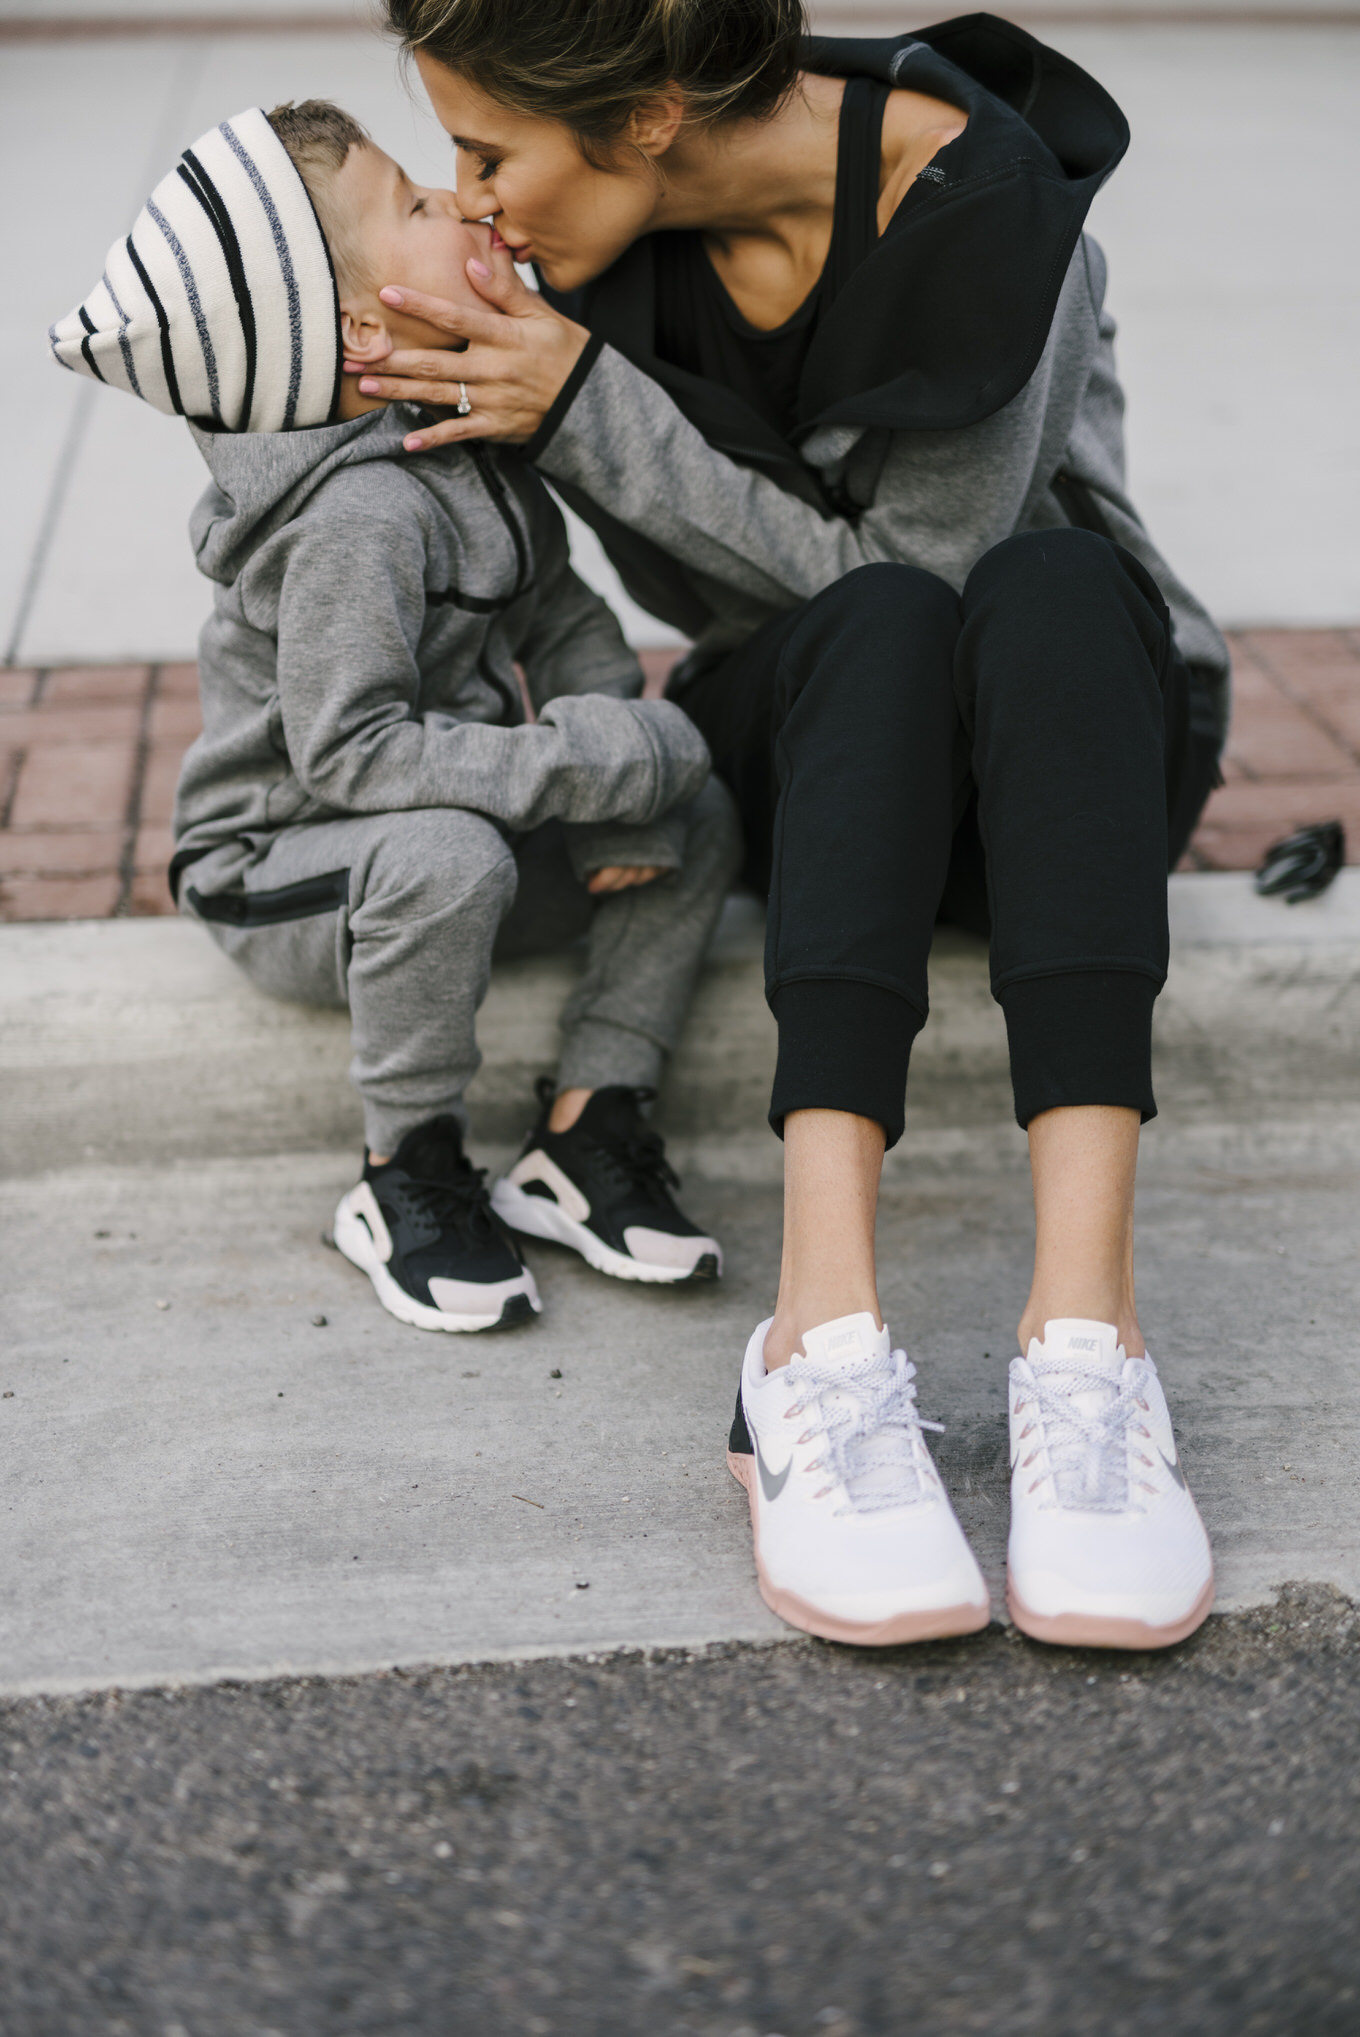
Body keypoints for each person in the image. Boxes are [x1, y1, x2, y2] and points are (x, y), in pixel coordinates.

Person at [359, 2, 1222, 1650]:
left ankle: (1091, 1351)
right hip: (833, 748)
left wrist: (593, 414)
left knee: (1039, 583)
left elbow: (942, 569)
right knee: (874, 635)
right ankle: (818, 1350)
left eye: (489, 153)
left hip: (1071, 745)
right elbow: (741, 600)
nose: (471, 199)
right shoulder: (589, 259)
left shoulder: (986, 201)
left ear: (656, 114)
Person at [50, 99, 740, 1335]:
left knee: (690, 800)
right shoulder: (355, 524)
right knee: (448, 851)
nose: (460, 200)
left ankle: (591, 1123)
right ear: (365, 326)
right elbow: (350, 757)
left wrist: (608, 778)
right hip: (287, 873)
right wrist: (579, 770)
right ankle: (406, 1170)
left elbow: (564, 621)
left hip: (427, 858)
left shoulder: (463, 435)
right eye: (418, 205)